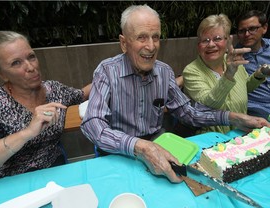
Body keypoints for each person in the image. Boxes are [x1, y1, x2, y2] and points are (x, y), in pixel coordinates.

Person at [81, 5, 270, 183]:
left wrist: (234, 118)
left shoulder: (164, 72)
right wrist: (140, 146)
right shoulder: (106, 71)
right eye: (142, 37)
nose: (151, 46)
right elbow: (92, 124)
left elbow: (189, 113)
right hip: (117, 152)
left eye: (155, 37)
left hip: (159, 142)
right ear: (124, 43)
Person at [0, 31, 91, 181]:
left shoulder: (54, 90)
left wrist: (109, 74)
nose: (30, 67)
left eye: (31, 57)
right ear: (2, 74)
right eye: (16, 63)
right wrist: (27, 133)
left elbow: (82, 94)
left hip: (52, 172)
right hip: (8, 181)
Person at [182, 14, 268, 134]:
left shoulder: (233, 61)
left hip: (242, 132)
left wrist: (259, 75)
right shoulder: (191, 71)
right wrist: (228, 75)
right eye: (205, 40)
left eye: (217, 39)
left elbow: (244, 88)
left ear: (228, 41)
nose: (211, 44)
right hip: (212, 140)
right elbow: (209, 104)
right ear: (198, 46)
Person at [235, 10, 270, 120]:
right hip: (257, 114)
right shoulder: (234, 58)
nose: (247, 34)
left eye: (252, 29)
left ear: (264, 28)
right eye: (242, 31)